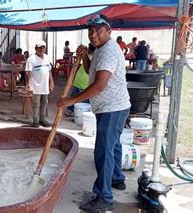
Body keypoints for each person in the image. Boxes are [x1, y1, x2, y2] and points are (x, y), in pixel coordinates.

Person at [57, 14, 130, 212]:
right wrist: (83, 58)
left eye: (98, 30)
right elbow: (91, 73)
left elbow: (98, 86)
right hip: (113, 107)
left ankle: (104, 197)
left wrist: (70, 100)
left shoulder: (108, 52)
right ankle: (116, 179)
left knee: (103, 151)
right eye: (90, 30)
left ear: (109, 31)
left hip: (112, 108)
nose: (93, 34)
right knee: (113, 146)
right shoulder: (100, 49)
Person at [25, 40, 54, 127]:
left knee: (45, 102)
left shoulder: (47, 57)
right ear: (35, 48)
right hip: (35, 85)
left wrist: (51, 82)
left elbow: (49, 71)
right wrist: (29, 85)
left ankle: (42, 119)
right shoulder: (31, 59)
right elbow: (27, 72)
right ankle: (36, 121)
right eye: (39, 47)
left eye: (43, 47)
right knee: (36, 104)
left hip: (45, 85)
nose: (41, 49)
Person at [64, 44, 94, 117]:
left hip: (77, 79)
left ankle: (69, 110)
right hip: (85, 81)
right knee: (85, 99)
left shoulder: (87, 57)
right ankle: (85, 114)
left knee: (74, 95)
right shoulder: (94, 58)